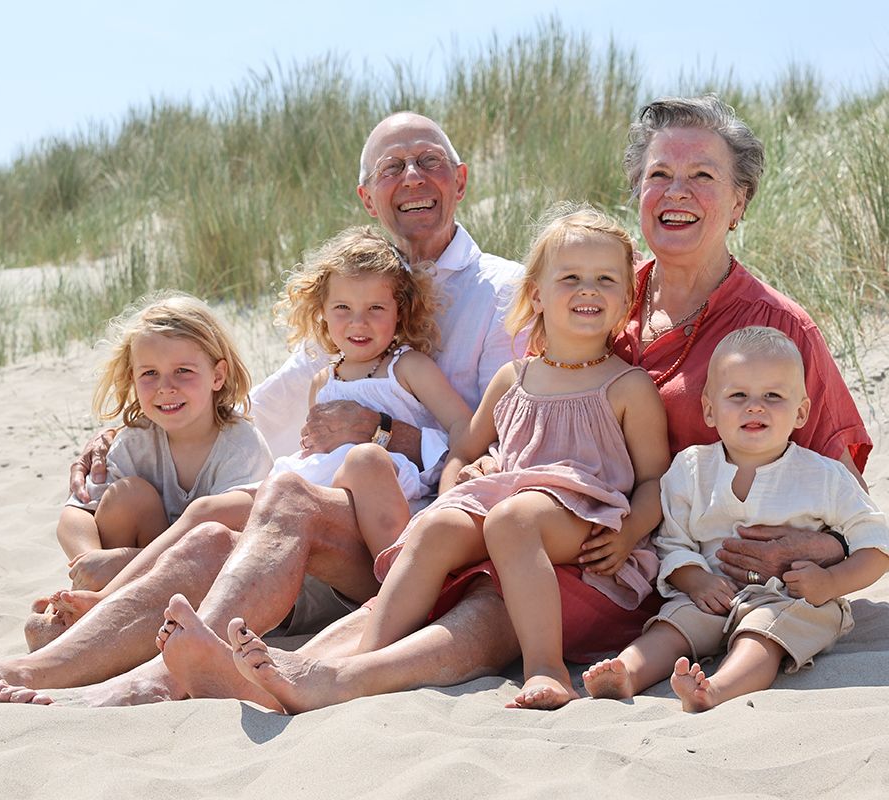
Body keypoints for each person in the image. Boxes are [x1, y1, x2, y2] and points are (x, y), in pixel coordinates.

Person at [208, 95, 876, 714]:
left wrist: (815, 545)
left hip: (660, 563)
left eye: (702, 175)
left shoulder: (775, 331)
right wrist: (469, 466)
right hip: (543, 521)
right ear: (636, 195)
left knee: (491, 600)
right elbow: (525, 415)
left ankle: (344, 681)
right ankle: (243, 675)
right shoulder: (602, 302)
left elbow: (838, 481)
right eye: (658, 175)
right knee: (448, 552)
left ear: (739, 201)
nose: (677, 192)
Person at [0, 111, 525, 705]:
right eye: (392, 167)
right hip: (335, 526)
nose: (412, 177)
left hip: (421, 531)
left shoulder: (505, 291)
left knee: (288, 499)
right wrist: (134, 425)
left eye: (429, 161)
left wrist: (387, 431)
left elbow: (518, 431)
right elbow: (253, 411)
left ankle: (154, 680)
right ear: (368, 196)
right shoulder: (346, 314)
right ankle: (9, 672)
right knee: (207, 536)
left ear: (461, 178)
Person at [272, 204, 670, 711]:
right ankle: (366, 655)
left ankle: (545, 669)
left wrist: (630, 532)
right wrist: (455, 490)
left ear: (627, 299)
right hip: (508, 499)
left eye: (605, 279)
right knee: (437, 529)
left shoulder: (627, 386)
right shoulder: (514, 378)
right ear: (536, 294)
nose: (588, 289)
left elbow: (657, 478)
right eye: (570, 277)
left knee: (513, 520)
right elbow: (464, 448)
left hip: (586, 516)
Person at [52, 226, 472, 628]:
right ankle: (115, 597)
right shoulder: (323, 380)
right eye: (342, 308)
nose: (357, 323)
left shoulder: (409, 368)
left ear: (400, 310)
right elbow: (272, 428)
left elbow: (462, 429)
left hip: (375, 489)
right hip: (311, 487)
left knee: (238, 510)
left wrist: (449, 487)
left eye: (375, 309)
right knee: (207, 512)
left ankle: (401, 594)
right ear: (322, 313)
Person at [583, 326, 889, 711]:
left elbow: (876, 545)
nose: (755, 406)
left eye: (773, 396)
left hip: (792, 599)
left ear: (801, 412)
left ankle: (716, 691)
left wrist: (831, 581)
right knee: (675, 624)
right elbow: (671, 541)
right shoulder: (692, 469)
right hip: (711, 593)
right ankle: (627, 673)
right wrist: (695, 579)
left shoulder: (824, 476)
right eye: (738, 396)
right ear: (709, 410)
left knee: (762, 634)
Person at [26, 292, 271, 650]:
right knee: (129, 496)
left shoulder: (240, 446)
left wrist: (124, 563)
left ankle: (106, 616)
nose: (165, 387)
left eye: (183, 371)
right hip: (128, 581)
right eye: (149, 374)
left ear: (218, 375)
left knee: (209, 525)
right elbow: (75, 513)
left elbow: (227, 550)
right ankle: (94, 607)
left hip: (206, 585)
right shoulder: (136, 441)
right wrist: (91, 561)